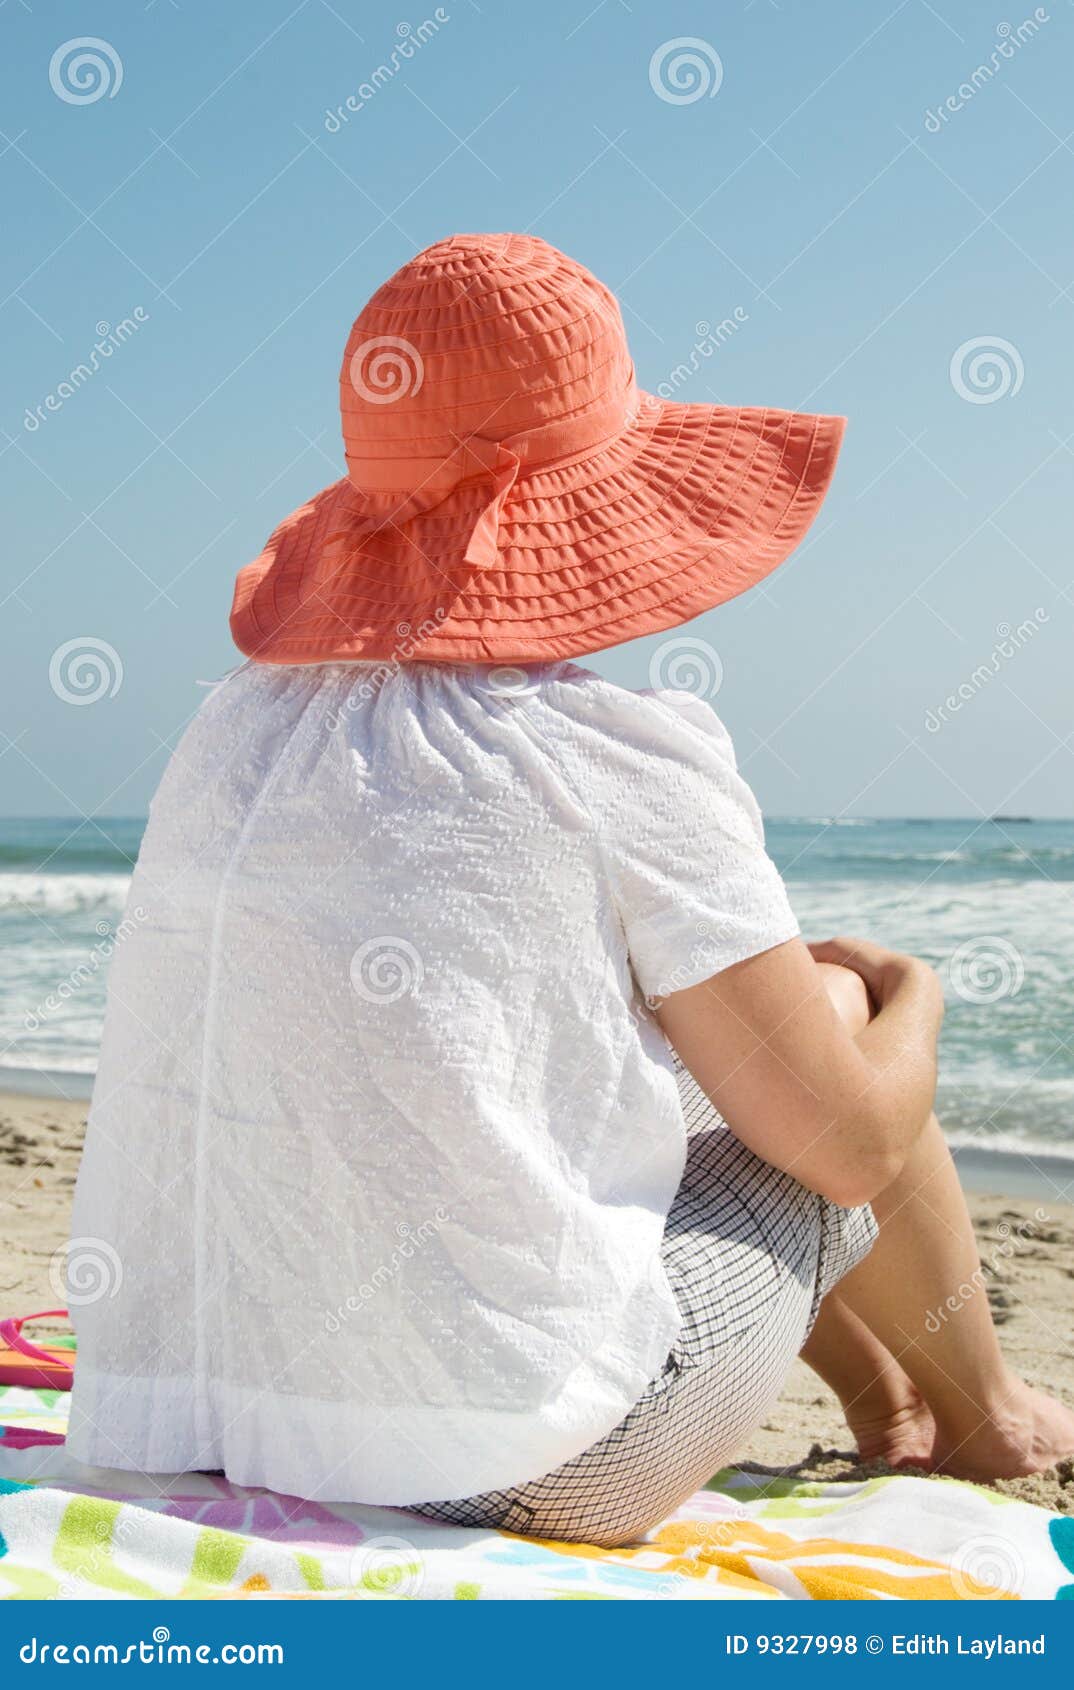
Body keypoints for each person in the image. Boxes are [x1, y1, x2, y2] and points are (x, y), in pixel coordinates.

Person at [66, 233, 1074, 1546]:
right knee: (823, 1021)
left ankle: (894, 1409)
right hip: (524, 1466)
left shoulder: (232, 732)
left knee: (668, 1058)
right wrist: (913, 997)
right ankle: (993, 1420)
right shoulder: (612, 750)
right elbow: (852, 1150)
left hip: (190, 1428)